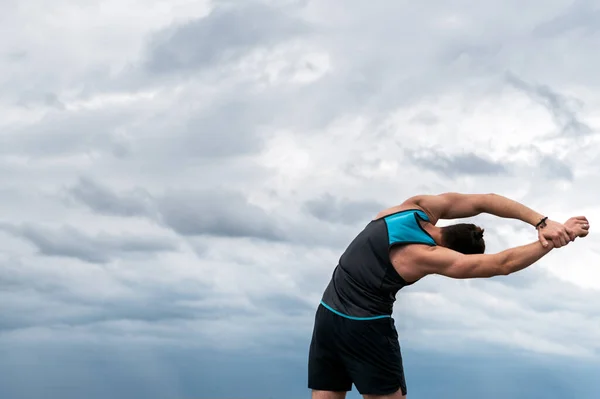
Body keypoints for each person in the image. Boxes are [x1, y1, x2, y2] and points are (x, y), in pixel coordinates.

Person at [307, 192, 590, 399]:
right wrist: (553, 241)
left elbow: (484, 200)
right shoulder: (422, 255)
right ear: (456, 253)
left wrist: (540, 221)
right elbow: (500, 264)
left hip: (326, 315)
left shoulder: (414, 207)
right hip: (365, 328)